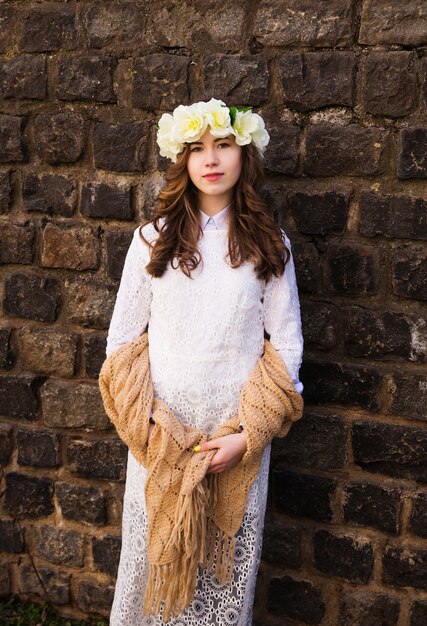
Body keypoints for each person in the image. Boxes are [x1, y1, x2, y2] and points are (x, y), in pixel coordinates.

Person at [105, 98, 304, 626]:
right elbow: (122, 344)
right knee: (152, 577)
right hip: (158, 441)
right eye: (197, 149)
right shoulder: (152, 241)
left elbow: (286, 349)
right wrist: (148, 429)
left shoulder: (268, 245)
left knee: (219, 583)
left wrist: (246, 437)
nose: (211, 159)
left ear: (244, 156)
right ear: (183, 160)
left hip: (233, 441)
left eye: (223, 146)